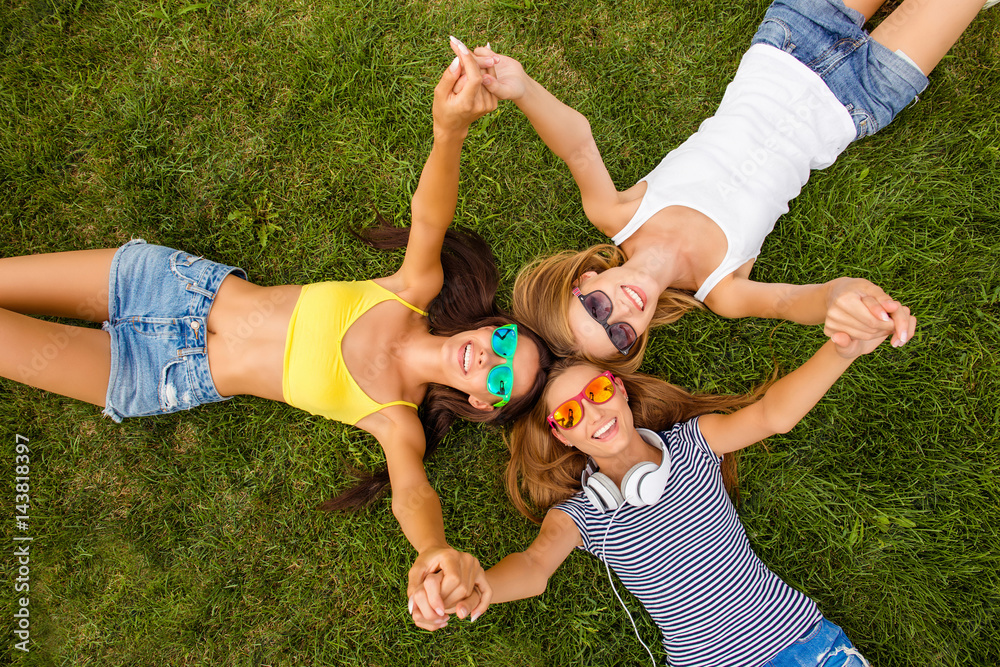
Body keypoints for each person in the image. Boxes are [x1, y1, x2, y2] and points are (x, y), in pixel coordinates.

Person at [0, 38, 550, 614]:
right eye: (505, 341)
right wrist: (449, 130)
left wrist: (433, 549)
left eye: (503, 379)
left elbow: (412, 494)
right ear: (493, 325)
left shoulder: (396, 422)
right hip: (173, 286)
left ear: (484, 404)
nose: (492, 358)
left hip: (163, 373)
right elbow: (429, 215)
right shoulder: (414, 291)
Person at [470, 0, 994, 370]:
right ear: (641, 337)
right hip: (860, 99)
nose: (622, 311)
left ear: (582, 282)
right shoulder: (721, 290)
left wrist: (522, 89)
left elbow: (578, 144)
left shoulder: (616, 213)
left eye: (597, 310)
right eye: (621, 334)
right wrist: (846, 297)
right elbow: (795, 302)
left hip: (790, 42)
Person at [409, 328, 887, 665]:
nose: (592, 414)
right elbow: (533, 569)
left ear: (620, 390)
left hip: (801, 646)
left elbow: (771, 417)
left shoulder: (691, 444)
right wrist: (476, 588)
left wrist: (842, 351)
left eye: (597, 391)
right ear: (563, 439)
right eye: (570, 417)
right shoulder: (585, 513)